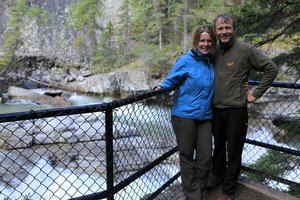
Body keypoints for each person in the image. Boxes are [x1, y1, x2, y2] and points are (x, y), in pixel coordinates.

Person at [207, 13, 279, 200]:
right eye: (220, 29)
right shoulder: (212, 50)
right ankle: (218, 175)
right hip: (215, 108)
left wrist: (254, 93)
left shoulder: (245, 50)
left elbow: (271, 69)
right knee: (218, 148)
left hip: (237, 109)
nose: (224, 32)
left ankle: (229, 190)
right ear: (216, 31)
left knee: (234, 150)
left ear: (233, 29)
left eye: (227, 28)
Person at [155, 25, 216, 200]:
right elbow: (170, 79)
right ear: (196, 41)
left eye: (208, 41)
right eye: (202, 41)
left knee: (205, 156)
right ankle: (194, 195)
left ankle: (201, 189)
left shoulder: (211, 61)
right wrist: (161, 87)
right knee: (187, 156)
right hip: (184, 115)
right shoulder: (185, 60)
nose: (205, 44)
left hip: (205, 116)